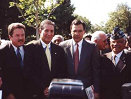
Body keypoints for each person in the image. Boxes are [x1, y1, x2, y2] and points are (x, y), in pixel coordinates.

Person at [26, 19, 67, 99]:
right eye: (46, 31)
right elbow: (29, 72)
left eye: (52, 31)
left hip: (55, 93)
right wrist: (43, 88)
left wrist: (53, 87)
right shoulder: (30, 48)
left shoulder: (59, 50)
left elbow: (62, 71)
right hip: (36, 93)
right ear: (40, 31)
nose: (49, 34)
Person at [60, 19, 100, 99]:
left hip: (86, 90)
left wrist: (96, 91)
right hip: (67, 90)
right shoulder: (62, 46)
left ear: (84, 31)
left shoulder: (92, 47)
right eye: (74, 31)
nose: (77, 34)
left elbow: (96, 70)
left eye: (80, 31)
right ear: (70, 31)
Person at [100, 27, 131, 99]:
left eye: (119, 41)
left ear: (125, 43)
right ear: (110, 43)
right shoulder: (103, 58)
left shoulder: (129, 57)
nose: (116, 44)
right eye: (113, 42)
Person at [0, 23, 29, 99]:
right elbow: (2, 76)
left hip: (29, 94)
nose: (21, 38)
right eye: (17, 35)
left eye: (22, 35)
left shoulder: (30, 50)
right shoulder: (2, 52)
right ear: (10, 37)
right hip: (11, 95)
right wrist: (8, 94)